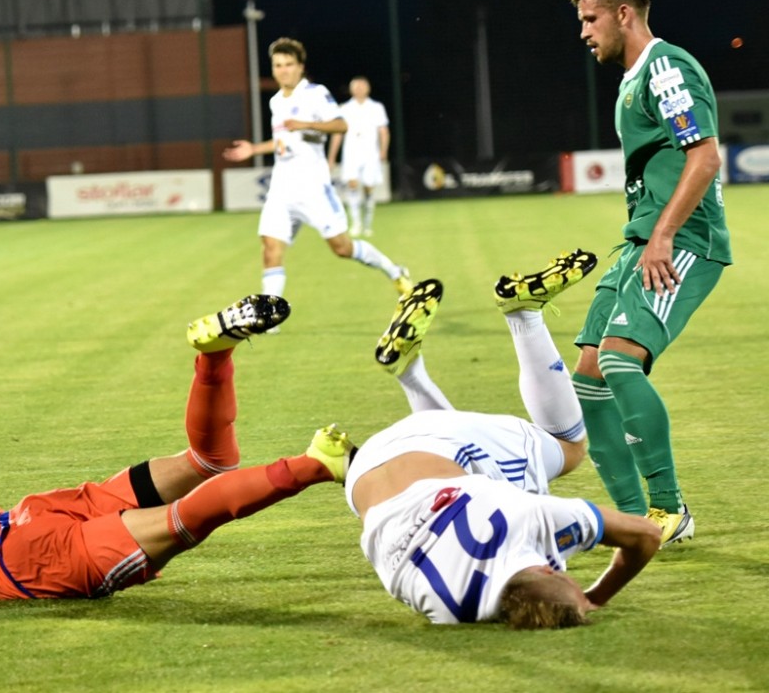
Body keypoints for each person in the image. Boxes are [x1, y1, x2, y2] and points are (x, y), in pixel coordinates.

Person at [0, 295, 357, 601]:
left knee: (181, 521)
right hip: (32, 514)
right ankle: (214, 356)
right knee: (208, 462)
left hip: (32, 564)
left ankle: (315, 464)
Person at [343, 250, 661, 628]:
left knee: (568, 447)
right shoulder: (447, 611)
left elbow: (646, 536)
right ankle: (410, 373)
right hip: (363, 473)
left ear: (547, 571)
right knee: (466, 474)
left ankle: (523, 314)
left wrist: (595, 597)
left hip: (437, 446)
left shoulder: (533, 520)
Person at [567, 0, 732, 547]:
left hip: (683, 240)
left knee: (618, 360)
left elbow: (705, 156)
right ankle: (635, 522)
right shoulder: (632, 80)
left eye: (590, 19)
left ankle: (670, 508)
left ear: (623, 13)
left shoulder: (665, 68)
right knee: (588, 379)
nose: (584, 32)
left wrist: (662, 235)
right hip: (641, 239)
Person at [223, 38, 411, 301]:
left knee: (342, 248)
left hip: (312, 188)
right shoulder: (276, 101)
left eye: (289, 64)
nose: (283, 70)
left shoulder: (315, 93)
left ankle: (394, 271)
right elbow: (283, 141)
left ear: (300, 67)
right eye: (278, 65)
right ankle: (269, 313)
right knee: (270, 248)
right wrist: (254, 149)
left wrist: (306, 124)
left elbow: (341, 125)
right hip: (281, 189)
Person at [327, 76, 390, 237]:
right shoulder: (344, 108)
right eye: (356, 86)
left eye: (362, 86)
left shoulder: (376, 107)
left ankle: (368, 223)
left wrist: (383, 150)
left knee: (369, 187)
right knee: (352, 185)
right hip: (351, 153)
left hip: (370, 153)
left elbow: (383, 131)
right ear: (351, 89)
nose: (359, 89)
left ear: (368, 89)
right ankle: (356, 223)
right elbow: (337, 134)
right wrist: (332, 157)